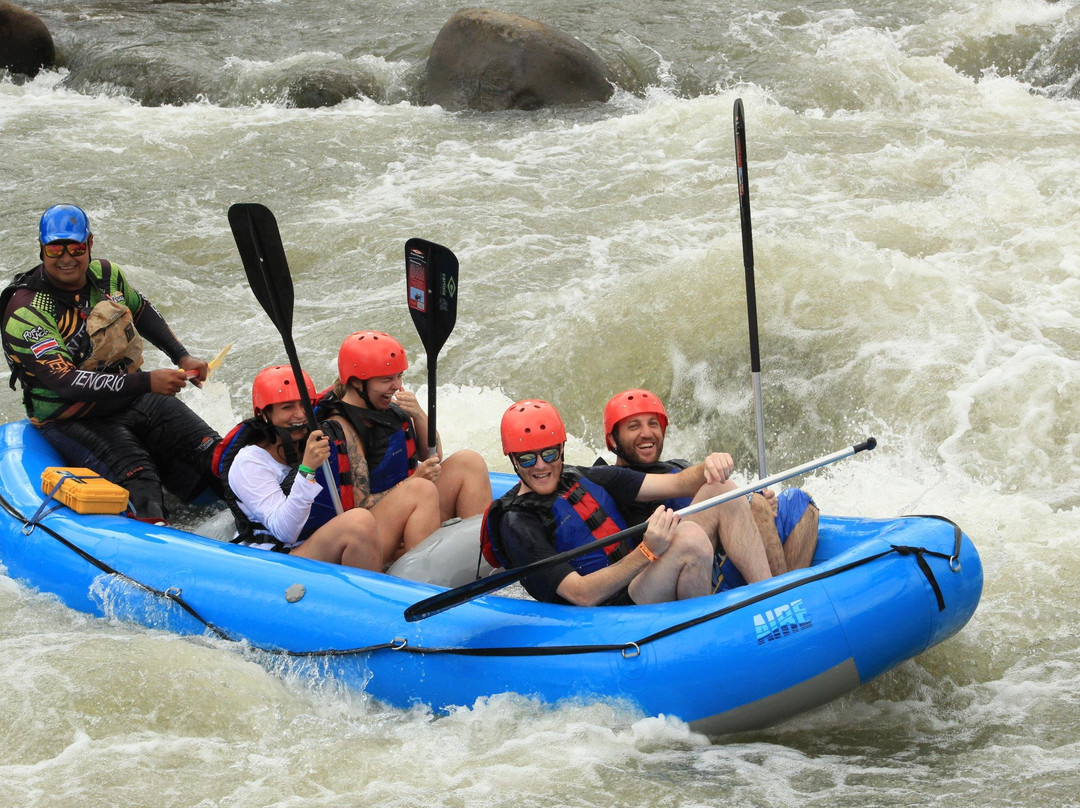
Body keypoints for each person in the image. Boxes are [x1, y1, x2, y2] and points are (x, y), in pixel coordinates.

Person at [1, 204, 220, 523]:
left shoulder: (106, 275)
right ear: (41, 249)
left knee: (216, 455)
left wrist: (181, 355)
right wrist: (147, 382)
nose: (66, 258)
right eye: (55, 248)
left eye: (75, 247)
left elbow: (141, 309)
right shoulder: (27, 311)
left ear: (89, 244)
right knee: (142, 484)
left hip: (134, 398)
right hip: (73, 418)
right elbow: (66, 382)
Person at [482, 399, 744, 607]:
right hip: (606, 614)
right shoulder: (518, 522)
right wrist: (647, 551)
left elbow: (677, 484)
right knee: (689, 539)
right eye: (527, 459)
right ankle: (702, 636)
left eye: (549, 454)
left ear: (561, 449)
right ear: (513, 460)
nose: (541, 466)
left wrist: (709, 466)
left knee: (719, 488)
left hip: (636, 583)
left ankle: (770, 592)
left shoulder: (585, 477)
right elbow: (580, 595)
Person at [601, 388, 819, 586]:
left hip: (731, 546)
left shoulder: (677, 466)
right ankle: (780, 594)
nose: (647, 433)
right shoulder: (613, 482)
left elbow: (728, 504)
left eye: (653, 424)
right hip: (691, 566)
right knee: (755, 506)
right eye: (634, 426)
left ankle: (792, 590)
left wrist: (759, 500)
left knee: (801, 501)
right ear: (612, 439)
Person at [316, 330, 492, 559]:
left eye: (399, 376)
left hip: (415, 509)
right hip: (372, 533)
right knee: (421, 489)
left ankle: (482, 560)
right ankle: (425, 580)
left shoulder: (389, 410)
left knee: (469, 462)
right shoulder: (341, 428)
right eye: (387, 379)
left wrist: (418, 414)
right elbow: (359, 510)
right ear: (358, 382)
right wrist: (414, 482)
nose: (398, 386)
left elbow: (434, 454)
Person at [217, 365, 388, 569]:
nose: (299, 415)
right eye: (287, 407)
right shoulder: (249, 463)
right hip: (279, 559)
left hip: (316, 541)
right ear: (265, 414)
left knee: (419, 489)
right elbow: (285, 531)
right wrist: (306, 470)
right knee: (358, 521)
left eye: (302, 405)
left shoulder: (315, 437)